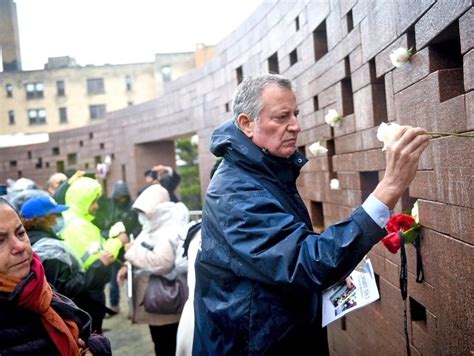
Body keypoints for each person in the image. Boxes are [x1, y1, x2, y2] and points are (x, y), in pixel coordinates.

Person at [192, 73, 431, 354]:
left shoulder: (263, 171)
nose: (295, 126)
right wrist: (390, 187)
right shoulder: (235, 192)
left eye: (295, 114)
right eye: (282, 117)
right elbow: (304, 263)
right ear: (246, 123)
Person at [0, 197, 112, 355]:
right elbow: (68, 287)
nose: (20, 246)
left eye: (20, 233)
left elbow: (83, 334)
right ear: (44, 219)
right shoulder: (49, 250)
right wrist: (99, 267)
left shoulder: (39, 287)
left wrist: (95, 347)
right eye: (0, 241)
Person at [117, 184, 189, 356]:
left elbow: (162, 262)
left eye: (145, 212)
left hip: (164, 303)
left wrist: (131, 252)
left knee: (166, 345)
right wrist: (126, 266)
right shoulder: (153, 227)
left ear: (158, 210)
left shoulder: (168, 229)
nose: (142, 216)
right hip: (156, 303)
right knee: (160, 343)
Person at [60, 176, 129, 334]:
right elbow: (99, 259)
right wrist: (118, 240)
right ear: (84, 200)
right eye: (93, 201)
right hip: (87, 298)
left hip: (84, 297)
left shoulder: (75, 221)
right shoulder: (79, 226)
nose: (96, 206)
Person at [20, 196, 85, 299]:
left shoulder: (29, 240)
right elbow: (61, 292)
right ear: (42, 220)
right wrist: (85, 274)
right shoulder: (48, 249)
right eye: (54, 216)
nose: (57, 220)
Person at [93, 180, 141, 314]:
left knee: (132, 277)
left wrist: (131, 237)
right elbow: (104, 224)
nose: (121, 200)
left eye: (123, 197)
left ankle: (133, 306)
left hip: (128, 247)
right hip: (114, 247)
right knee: (114, 279)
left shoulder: (132, 208)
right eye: (118, 197)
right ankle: (114, 305)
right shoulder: (110, 207)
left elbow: (138, 226)